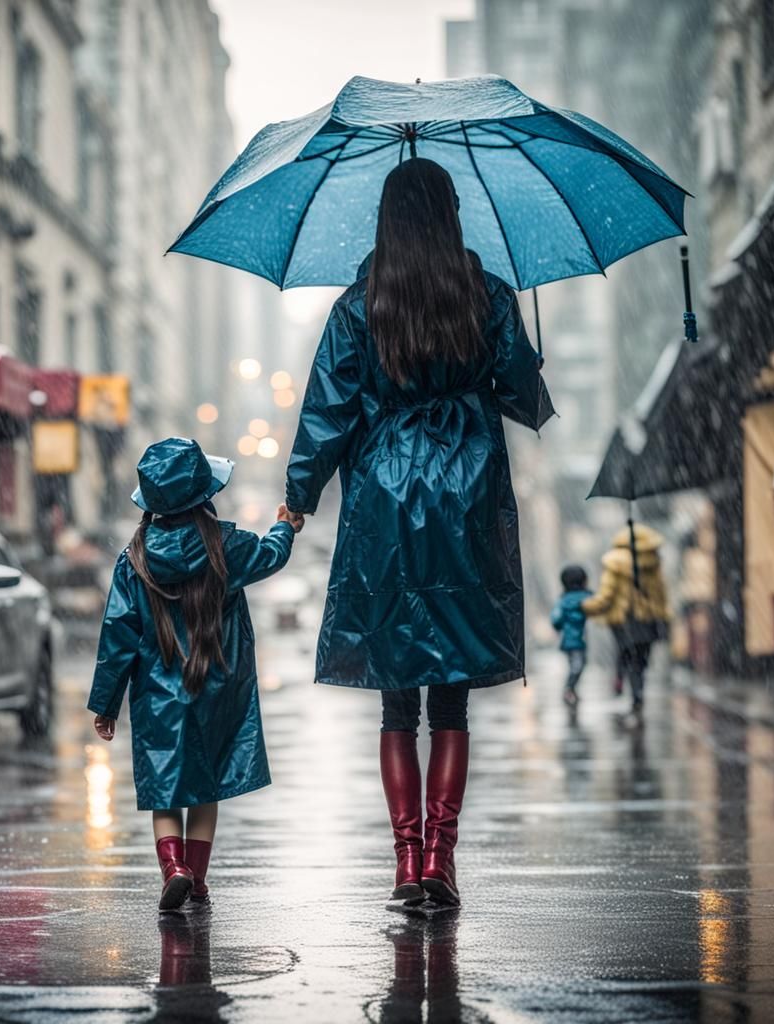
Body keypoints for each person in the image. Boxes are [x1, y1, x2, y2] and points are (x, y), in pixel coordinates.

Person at [283, 158, 553, 906]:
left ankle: (406, 862)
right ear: (451, 215)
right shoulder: (487, 295)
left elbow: (327, 411)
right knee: (452, 700)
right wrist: (527, 359)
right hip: (467, 507)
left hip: (386, 509)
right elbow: (525, 400)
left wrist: (297, 497)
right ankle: (441, 859)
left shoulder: (358, 305)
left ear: (386, 219)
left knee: (397, 701)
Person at [88, 437, 301, 913]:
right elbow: (270, 555)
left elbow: (117, 636)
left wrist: (105, 703)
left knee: (164, 791)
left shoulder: (133, 560)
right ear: (205, 493)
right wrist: (285, 526)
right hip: (215, 688)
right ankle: (198, 880)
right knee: (207, 787)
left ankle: (174, 870)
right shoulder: (225, 546)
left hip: (156, 697)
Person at [581, 524, 670, 726]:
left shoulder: (614, 562)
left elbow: (607, 594)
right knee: (641, 659)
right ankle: (638, 692)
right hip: (647, 619)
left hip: (623, 620)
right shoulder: (653, 562)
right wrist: (662, 617)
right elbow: (661, 594)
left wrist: (586, 607)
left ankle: (626, 683)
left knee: (626, 654)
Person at [550, 565, 592, 706]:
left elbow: (555, 620)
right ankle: (568, 689)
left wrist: (563, 625)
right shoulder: (588, 596)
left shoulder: (563, 600)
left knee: (576, 665)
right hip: (579, 640)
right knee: (578, 665)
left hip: (569, 640)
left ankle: (571, 689)